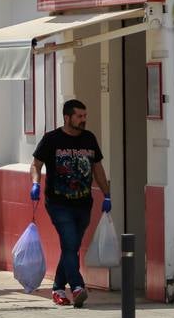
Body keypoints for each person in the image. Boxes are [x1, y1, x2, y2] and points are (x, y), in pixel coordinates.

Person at [30, 99, 111, 308]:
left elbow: (97, 168)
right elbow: (36, 165)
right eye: (79, 116)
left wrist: (107, 194)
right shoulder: (52, 139)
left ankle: (58, 288)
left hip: (84, 203)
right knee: (69, 240)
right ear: (67, 117)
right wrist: (35, 184)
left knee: (71, 246)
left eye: (85, 116)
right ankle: (77, 286)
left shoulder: (89, 139)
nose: (83, 120)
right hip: (58, 203)